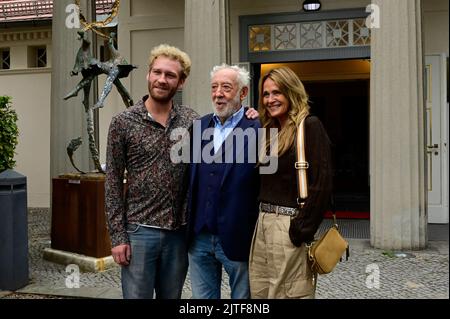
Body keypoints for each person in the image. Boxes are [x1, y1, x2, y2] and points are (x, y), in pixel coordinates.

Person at [105, 44, 198, 299]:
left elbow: (217, 154)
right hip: (138, 233)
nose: (161, 79)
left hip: (178, 234)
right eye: (157, 72)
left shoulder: (192, 121)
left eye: (170, 75)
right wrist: (117, 236)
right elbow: (112, 181)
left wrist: (249, 115)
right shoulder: (123, 122)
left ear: (181, 82)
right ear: (148, 75)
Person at [249, 67, 332, 299]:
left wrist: (300, 229)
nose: (270, 99)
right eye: (266, 94)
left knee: (288, 293)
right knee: (261, 292)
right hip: (263, 224)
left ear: (291, 92)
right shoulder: (269, 130)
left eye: (277, 92)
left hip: (288, 224)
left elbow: (322, 184)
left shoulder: (309, 126)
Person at [187, 64, 260, 299]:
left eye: (226, 87)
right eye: (214, 87)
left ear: (243, 92)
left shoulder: (259, 128)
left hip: (239, 236)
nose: (218, 93)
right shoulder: (199, 127)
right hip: (199, 237)